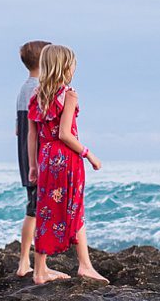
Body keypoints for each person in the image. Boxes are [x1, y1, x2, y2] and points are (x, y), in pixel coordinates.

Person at [28, 44, 106, 284]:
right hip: (67, 158)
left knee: (45, 211)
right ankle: (84, 265)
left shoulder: (37, 96)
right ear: (64, 67)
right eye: (72, 65)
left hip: (46, 157)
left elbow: (33, 135)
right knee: (75, 208)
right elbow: (64, 134)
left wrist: (33, 165)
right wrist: (88, 153)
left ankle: (39, 270)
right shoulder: (68, 95)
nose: (74, 70)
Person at [15, 40, 51, 277]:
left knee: (33, 208)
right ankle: (32, 264)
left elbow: (18, 129)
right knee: (38, 210)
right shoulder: (39, 89)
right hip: (37, 158)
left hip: (25, 158)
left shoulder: (23, 88)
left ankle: (26, 262)